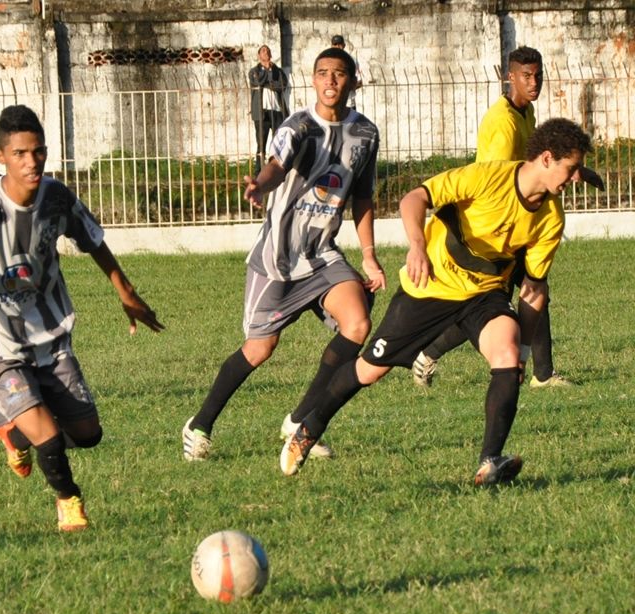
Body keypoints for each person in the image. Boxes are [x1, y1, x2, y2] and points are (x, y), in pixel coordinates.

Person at [281, 118, 592, 485]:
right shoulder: (487, 178)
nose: (575, 179)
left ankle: (489, 463)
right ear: (545, 158)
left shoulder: (551, 218)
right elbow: (415, 198)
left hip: (484, 294)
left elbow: (534, 288)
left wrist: (525, 349)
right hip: (430, 286)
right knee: (370, 368)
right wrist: (417, 246)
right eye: (571, 169)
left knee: (506, 352)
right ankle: (307, 430)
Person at [0, 104, 164, 532]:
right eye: (21, 153)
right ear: (2, 156)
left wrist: (126, 292)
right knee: (47, 433)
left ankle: (15, 433)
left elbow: (94, 241)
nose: (32, 162)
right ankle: (69, 501)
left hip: (47, 333)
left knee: (88, 433)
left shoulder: (58, 197)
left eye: (39, 152)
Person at [182, 47, 386, 462]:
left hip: (322, 254)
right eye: (323, 73)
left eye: (339, 74)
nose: (330, 81)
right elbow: (276, 163)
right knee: (259, 349)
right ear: (313, 80)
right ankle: (199, 424)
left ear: (352, 80)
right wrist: (260, 184)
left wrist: (369, 256)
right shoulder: (299, 126)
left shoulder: (365, 133)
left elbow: (362, 197)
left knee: (358, 323)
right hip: (278, 257)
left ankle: (300, 419)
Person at [411, 46, 570, 389]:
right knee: (489, 306)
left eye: (538, 75)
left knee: (533, 290)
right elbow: (497, 181)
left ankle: (542, 374)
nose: (534, 82)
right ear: (509, 76)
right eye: (526, 76)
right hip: (498, 230)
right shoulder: (502, 123)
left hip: (520, 224)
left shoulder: (524, 113)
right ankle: (427, 352)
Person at [248, 45, 290, 171]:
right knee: (261, 143)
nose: (266, 53)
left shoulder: (278, 71)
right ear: (259, 55)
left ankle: (277, 168)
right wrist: (269, 76)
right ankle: (259, 171)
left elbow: (282, 86)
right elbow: (257, 82)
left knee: (278, 142)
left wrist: (268, 81)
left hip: (277, 111)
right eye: (263, 51)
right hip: (261, 112)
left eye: (268, 51)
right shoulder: (254, 71)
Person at [330, 35, 363, 109]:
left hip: (348, 104)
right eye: (335, 44)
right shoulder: (327, 62)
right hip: (333, 104)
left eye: (339, 44)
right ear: (332, 46)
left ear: (344, 45)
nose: (337, 46)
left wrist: (346, 88)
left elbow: (360, 82)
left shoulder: (352, 60)